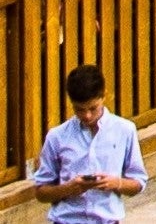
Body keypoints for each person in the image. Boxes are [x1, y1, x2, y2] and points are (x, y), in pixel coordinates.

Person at [27, 66, 144, 224]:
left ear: (103, 96)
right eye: (79, 110)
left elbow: (138, 183)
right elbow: (41, 192)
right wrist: (69, 188)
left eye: (93, 108)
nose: (87, 115)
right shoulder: (57, 136)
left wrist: (116, 183)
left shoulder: (124, 130)